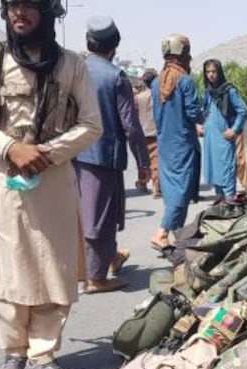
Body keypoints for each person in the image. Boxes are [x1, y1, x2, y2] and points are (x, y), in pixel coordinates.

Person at [0, 1, 102, 369]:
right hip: (1, 180)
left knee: (55, 267)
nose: (19, 13)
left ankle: (42, 356)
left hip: (52, 179)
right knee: (9, 268)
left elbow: (91, 124)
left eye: (28, 6)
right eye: (13, 6)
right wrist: (8, 147)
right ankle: (14, 354)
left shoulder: (72, 65)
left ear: (47, 12)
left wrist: (45, 154)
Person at [75, 16, 150, 294]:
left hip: (73, 154)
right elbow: (131, 125)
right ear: (114, 48)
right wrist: (143, 163)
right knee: (100, 218)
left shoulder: (76, 70)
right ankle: (96, 278)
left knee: (86, 212)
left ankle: (111, 258)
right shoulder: (115, 76)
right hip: (102, 156)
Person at [150, 34, 202, 251]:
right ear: (183, 54)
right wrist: (203, 114)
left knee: (172, 191)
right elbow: (193, 113)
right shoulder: (185, 81)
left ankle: (179, 237)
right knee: (181, 192)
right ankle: (162, 233)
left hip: (165, 144)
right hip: (183, 144)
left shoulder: (155, 82)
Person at [200, 59, 247, 203]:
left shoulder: (229, 90)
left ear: (219, 72)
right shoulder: (208, 92)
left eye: (213, 72)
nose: (210, 75)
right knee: (214, 171)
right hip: (210, 137)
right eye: (207, 72)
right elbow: (205, 111)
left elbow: (242, 111)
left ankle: (230, 202)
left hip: (224, 137)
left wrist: (234, 130)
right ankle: (221, 203)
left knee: (226, 169)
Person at [135, 69, 161, 198]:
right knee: (155, 161)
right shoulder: (160, 96)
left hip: (141, 133)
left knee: (142, 161)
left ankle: (142, 182)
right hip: (155, 132)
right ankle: (157, 188)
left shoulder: (138, 98)